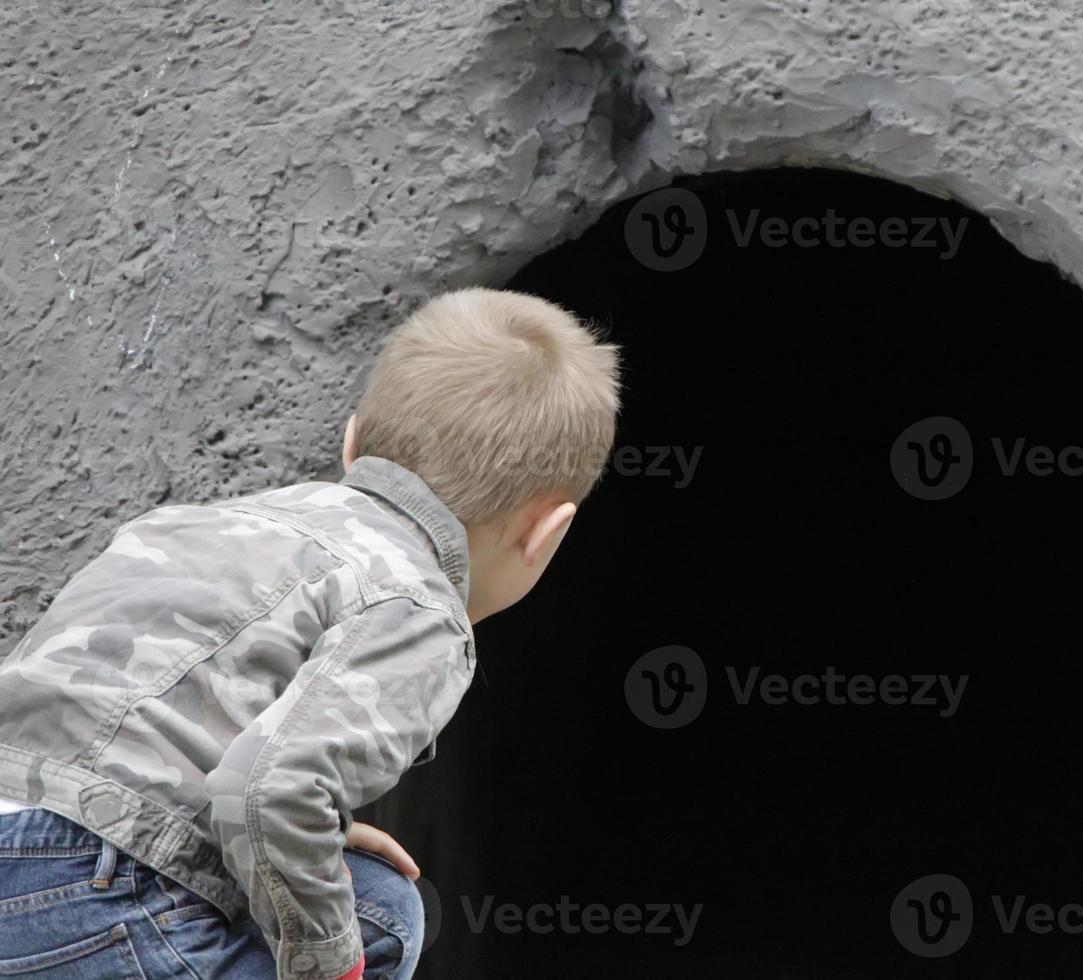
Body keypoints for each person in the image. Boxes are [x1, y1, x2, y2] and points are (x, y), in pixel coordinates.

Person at [0, 288, 621, 978]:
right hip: (101, 893)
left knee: (375, 902)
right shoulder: (418, 605)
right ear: (546, 532)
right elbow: (269, 791)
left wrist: (280, 841)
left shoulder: (196, 523)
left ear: (352, 441)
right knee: (373, 934)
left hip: (27, 844)